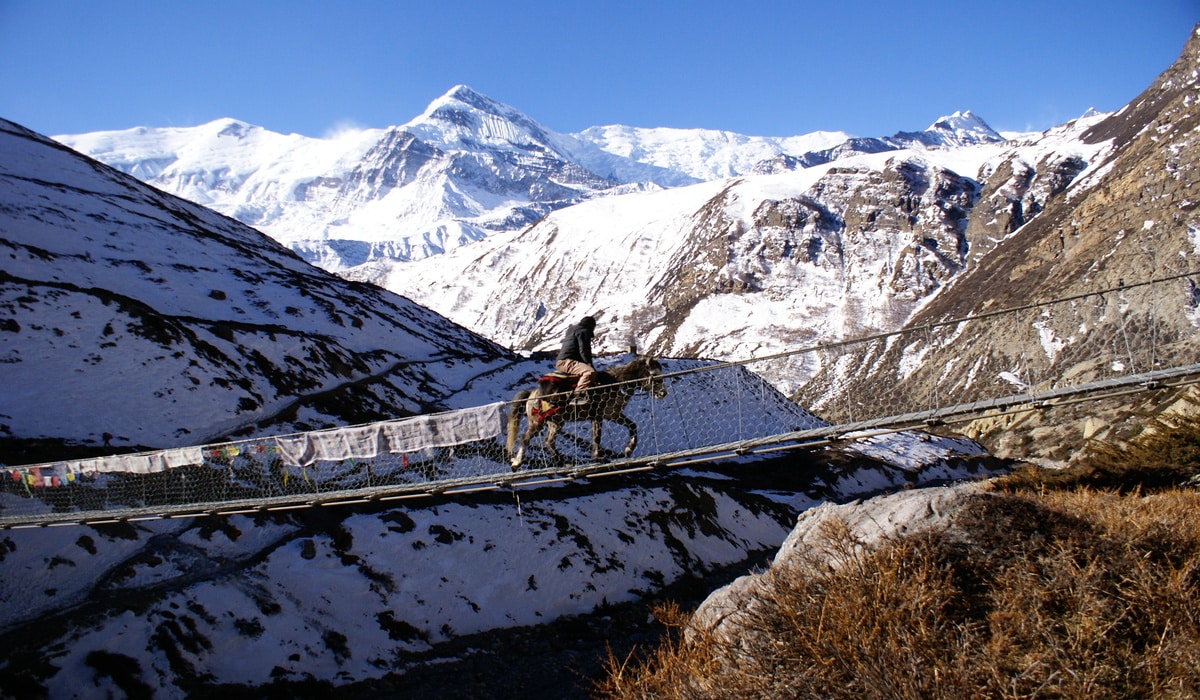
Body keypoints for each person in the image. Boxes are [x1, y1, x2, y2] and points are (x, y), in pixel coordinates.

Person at [555, 315, 598, 403]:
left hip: (562, 361)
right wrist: (589, 363)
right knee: (589, 372)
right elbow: (584, 350)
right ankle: (578, 396)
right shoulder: (584, 332)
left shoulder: (574, 330)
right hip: (567, 361)